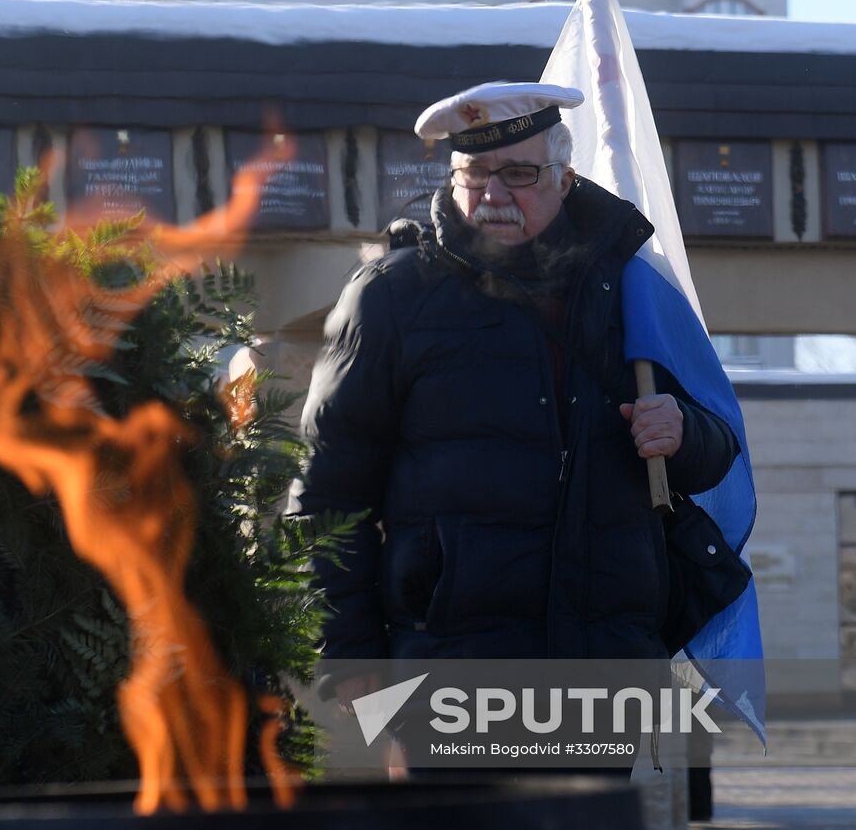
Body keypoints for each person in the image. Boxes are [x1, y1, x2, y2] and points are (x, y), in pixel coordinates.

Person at [285, 82, 740, 747]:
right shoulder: (391, 299)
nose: (494, 195)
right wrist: (348, 658)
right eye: (474, 175)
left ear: (565, 177)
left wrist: (683, 430)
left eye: (519, 174)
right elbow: (326, 495)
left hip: (600, 673)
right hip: (446, 677)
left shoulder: (633, 285)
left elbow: (719, 444)